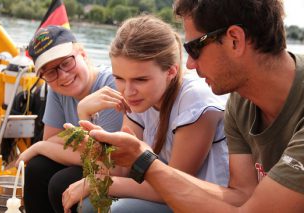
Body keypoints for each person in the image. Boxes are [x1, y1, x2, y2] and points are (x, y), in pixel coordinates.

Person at [79, 0, 304, 212]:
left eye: (194, 48)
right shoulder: (240, 101)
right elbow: (241, 195)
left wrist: (144, 161)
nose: (189, 63)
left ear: (235, 39)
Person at [63, 15, 229, 213]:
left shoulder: (195, 101)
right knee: (84, 201)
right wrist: (85, 117)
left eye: (140, 80)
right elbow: (121, 170)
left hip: (203, 203)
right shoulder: (140, 100)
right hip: (165, 191)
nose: (127, 91)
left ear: (171, 71)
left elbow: (175, 186)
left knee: (119, 210)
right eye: (119, 78)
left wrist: (101, 182)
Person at [15, 25, 123, 213]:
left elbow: (108, 162)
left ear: (82, 53)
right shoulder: (58, 89)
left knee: (61, 183)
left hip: (116, 170)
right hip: (94, 161)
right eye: (50, 72)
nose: (62, 75)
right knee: (36, 169)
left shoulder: (112, 87)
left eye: (66, 62)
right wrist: (45, 146)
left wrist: (40, 146)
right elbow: (51, 139)